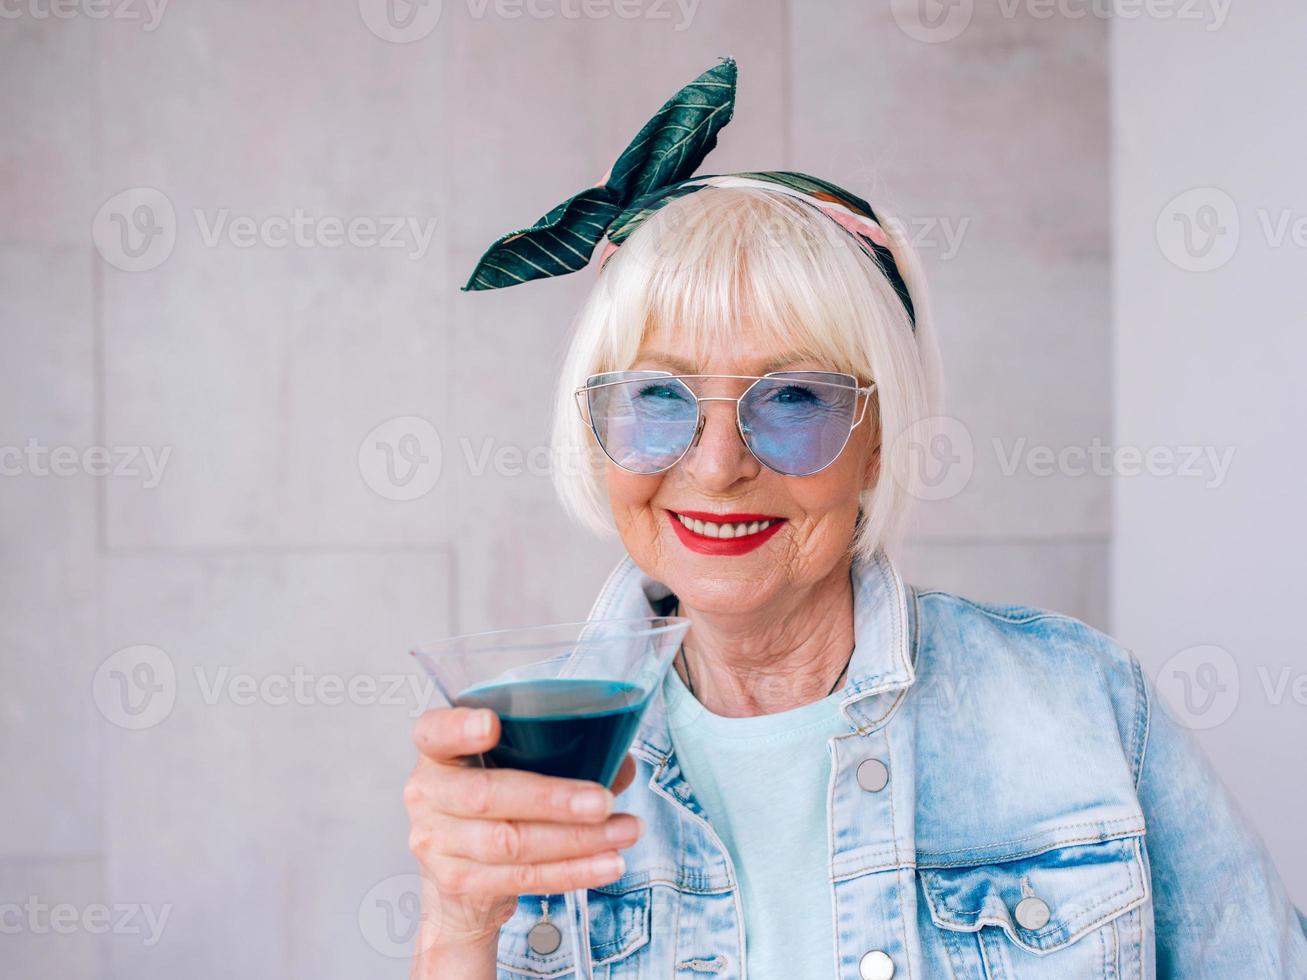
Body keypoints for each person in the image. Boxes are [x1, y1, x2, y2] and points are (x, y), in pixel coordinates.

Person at [404, 58, 1307, 979]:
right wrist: (458, 929)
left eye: (794, 397)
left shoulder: (1088, 704)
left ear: (879, 441)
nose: (717, 468)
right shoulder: (520, 761)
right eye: (658, 398)